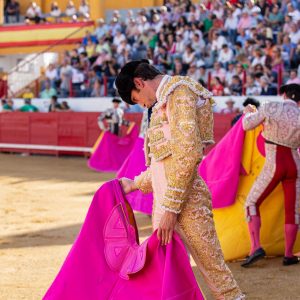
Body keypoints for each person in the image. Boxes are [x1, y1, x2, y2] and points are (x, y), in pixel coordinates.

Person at [116, 60, 244, 300]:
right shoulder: (165, 99)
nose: (142, 104)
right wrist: (134, 184)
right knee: (166, 276)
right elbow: (164, 163)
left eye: (136, 98)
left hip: (187, 204)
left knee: (216, 275)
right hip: (165, 204)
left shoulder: (180, 92)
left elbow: (188, 154)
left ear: (139, 83)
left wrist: (171, 209)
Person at [241, 83, 300, 267]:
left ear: (283, 94)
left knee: (251, 203)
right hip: (295, 166)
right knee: (293, 211)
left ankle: (255, 247)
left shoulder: (269, 106)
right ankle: (289, 255)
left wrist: (248, 111)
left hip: (274, 163)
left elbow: (246, 125)